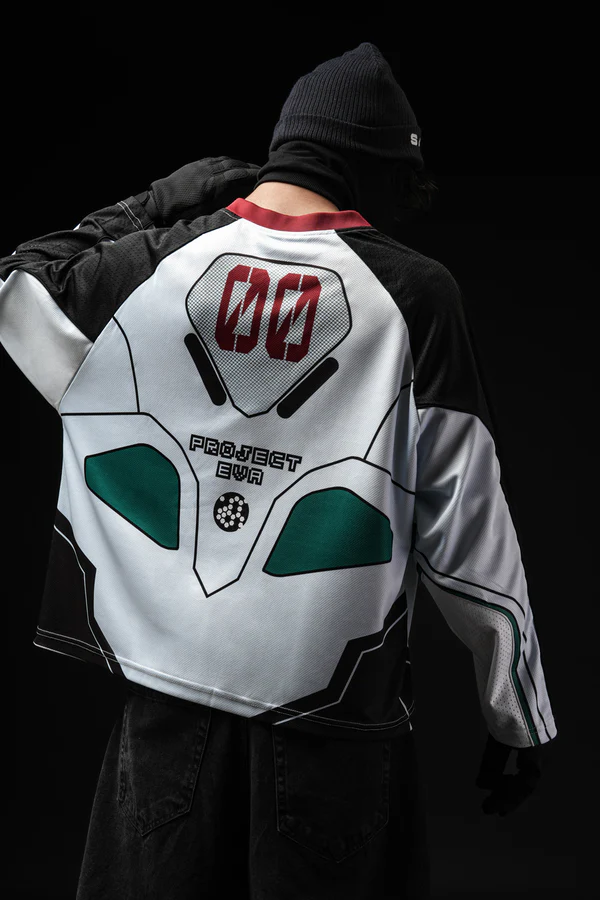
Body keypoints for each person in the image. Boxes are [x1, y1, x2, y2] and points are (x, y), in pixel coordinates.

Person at [0, 43, 558, 900]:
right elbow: (467, 529)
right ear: (373, 166)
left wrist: (154, 202)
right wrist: (516, 712)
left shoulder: (163, 262)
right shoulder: (416, 295)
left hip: (165, 714)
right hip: (330, 724)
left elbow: (18, 294)